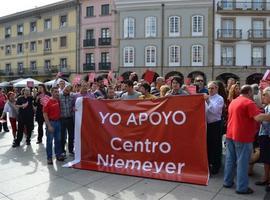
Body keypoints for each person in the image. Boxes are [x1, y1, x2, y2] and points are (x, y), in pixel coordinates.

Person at [223, 85, 270, 194]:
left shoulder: (234, 101)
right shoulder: (249, 103)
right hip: (243, 137)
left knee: (230, 160)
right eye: (252, 93)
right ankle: (242, 188)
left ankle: (227, 181)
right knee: (242, 163)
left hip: (230, 135)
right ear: (249, 92)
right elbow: (258, 118)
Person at [204, 81, 224, 174]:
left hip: (215, 124)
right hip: (206, 124)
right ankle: (208, 163)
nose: (210, 90)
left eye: (212, 88)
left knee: (216, 146)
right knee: (207, 145)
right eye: (209, 88)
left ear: (217, 88)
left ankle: (216, 166)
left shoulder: (219, 98)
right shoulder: (205, 97)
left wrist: (207, 101)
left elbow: (214, 111)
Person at [43, 87, 65, 165]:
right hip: (51, 123)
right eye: (55, 92)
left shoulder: (58, 100)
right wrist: (49, 126)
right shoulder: (47, 101)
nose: (57, 93)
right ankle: (49, 158)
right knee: (49, 142)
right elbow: (45, 114)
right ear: (51, 92)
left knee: (58, 140)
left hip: (58, 122)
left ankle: (58, 155)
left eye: (57, 92)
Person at [59, 85, 75, 157]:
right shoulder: (59, 96)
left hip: (70, 118)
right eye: (66, 89)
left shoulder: (72, 96)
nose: (66, 91)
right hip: (62, 119)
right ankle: (62, 151)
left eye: (68, 90)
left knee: (71, 136)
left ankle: (71, 150)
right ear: (64, 89)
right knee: (62, 136)